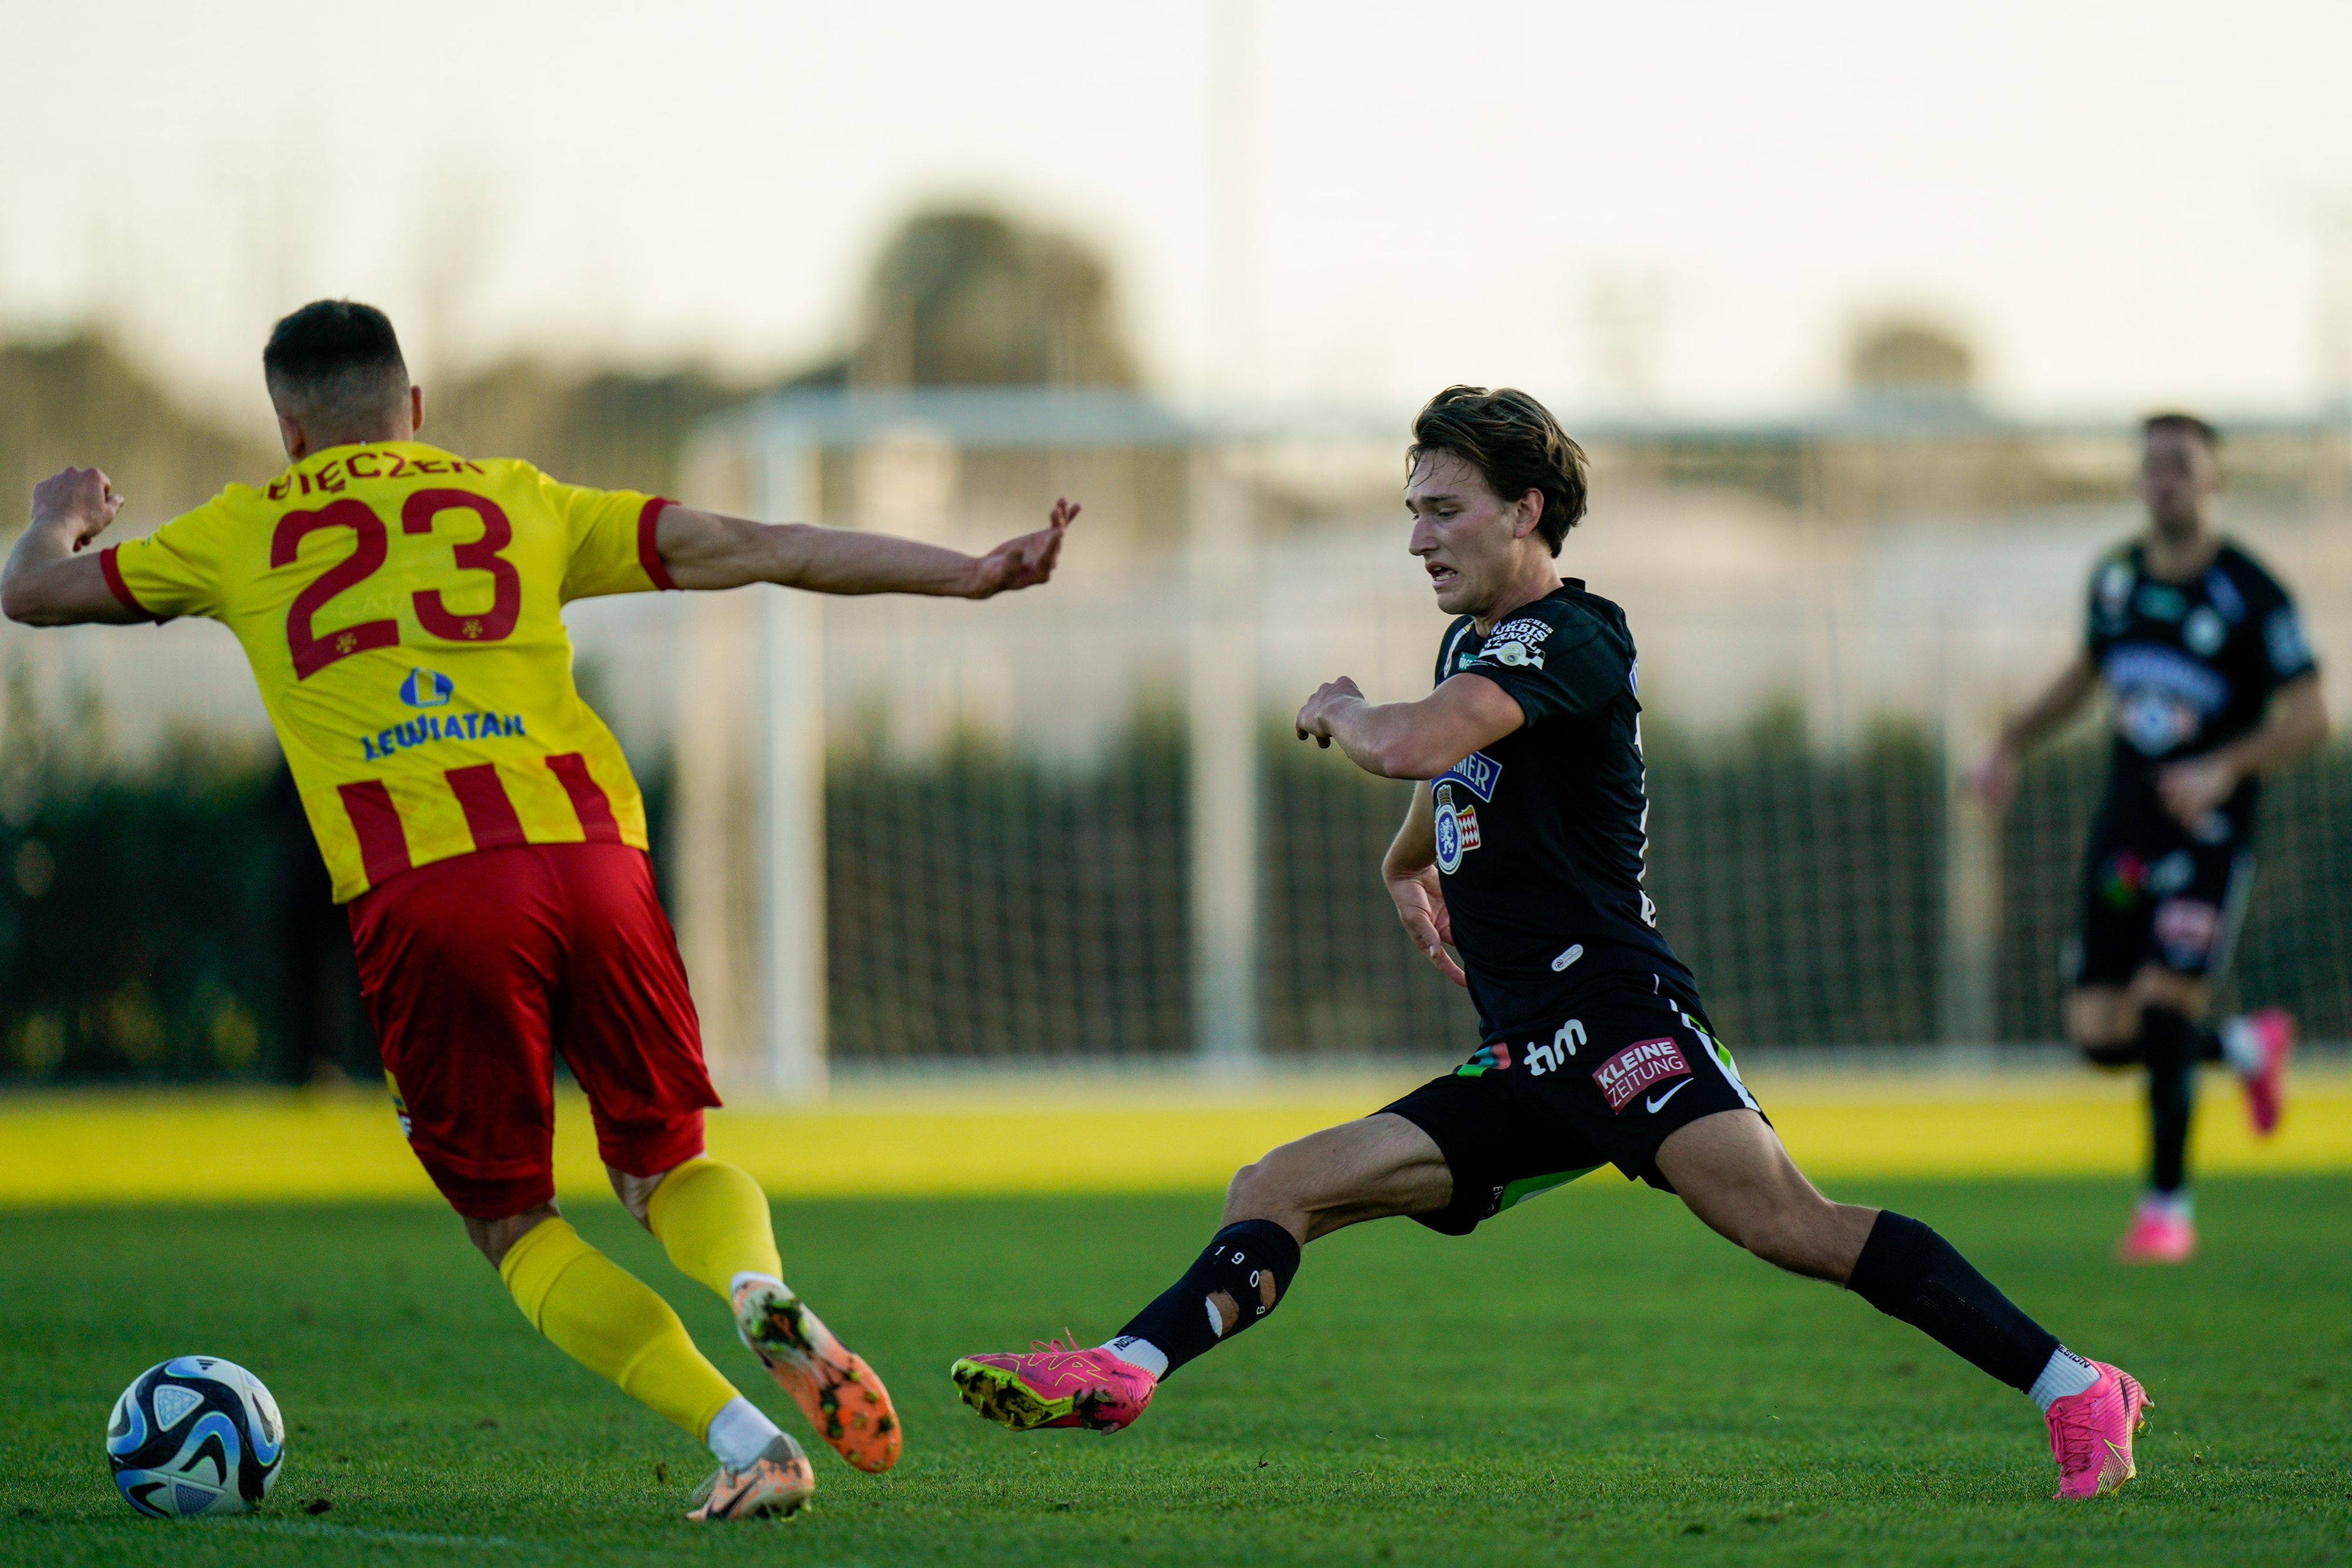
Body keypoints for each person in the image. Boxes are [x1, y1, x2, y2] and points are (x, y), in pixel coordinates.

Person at [950, 385, 2147, 1501]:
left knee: (1789, 1224)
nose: (1417, 538)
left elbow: (1411, 744)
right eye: (1411, 510)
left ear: (1525, 510)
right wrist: (1406, 863)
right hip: (1527, 1052)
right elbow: (1456, 771)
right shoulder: (1472, 647)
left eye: (1442, 509)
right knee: (1276, 1185)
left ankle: (2077, 1387)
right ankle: (1124, 1368)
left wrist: (1341, 707)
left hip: (1617, 1016)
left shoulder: (1571, 636)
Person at [4, 299, 1078, 1522]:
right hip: (594, 858)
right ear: (414, 408)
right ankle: (754, 1283)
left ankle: (748, 1439)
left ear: (288, 428)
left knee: (513, 1220)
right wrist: (968, 572)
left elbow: (31, 595)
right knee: (666, 1163)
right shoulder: (521, 498)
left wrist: (57, 515)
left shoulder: (238, 530)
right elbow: (763, 543)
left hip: (430, 883)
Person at [1970, 413, 2326, 1263]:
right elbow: (2087, 672)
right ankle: (2244, 1047)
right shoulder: (2117, 579)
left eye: (2182, 464)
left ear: (2215, 480)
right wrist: (2010, 742)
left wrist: (2224, 767)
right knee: (2099, 1034)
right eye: (2154, 465)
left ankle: (2167, 1210)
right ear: (2138, 482)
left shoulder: (2252, 592)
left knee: (2166, 1004)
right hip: (2126, 833)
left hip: (2207, 835)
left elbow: (2312, 716)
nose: (2166, 479)